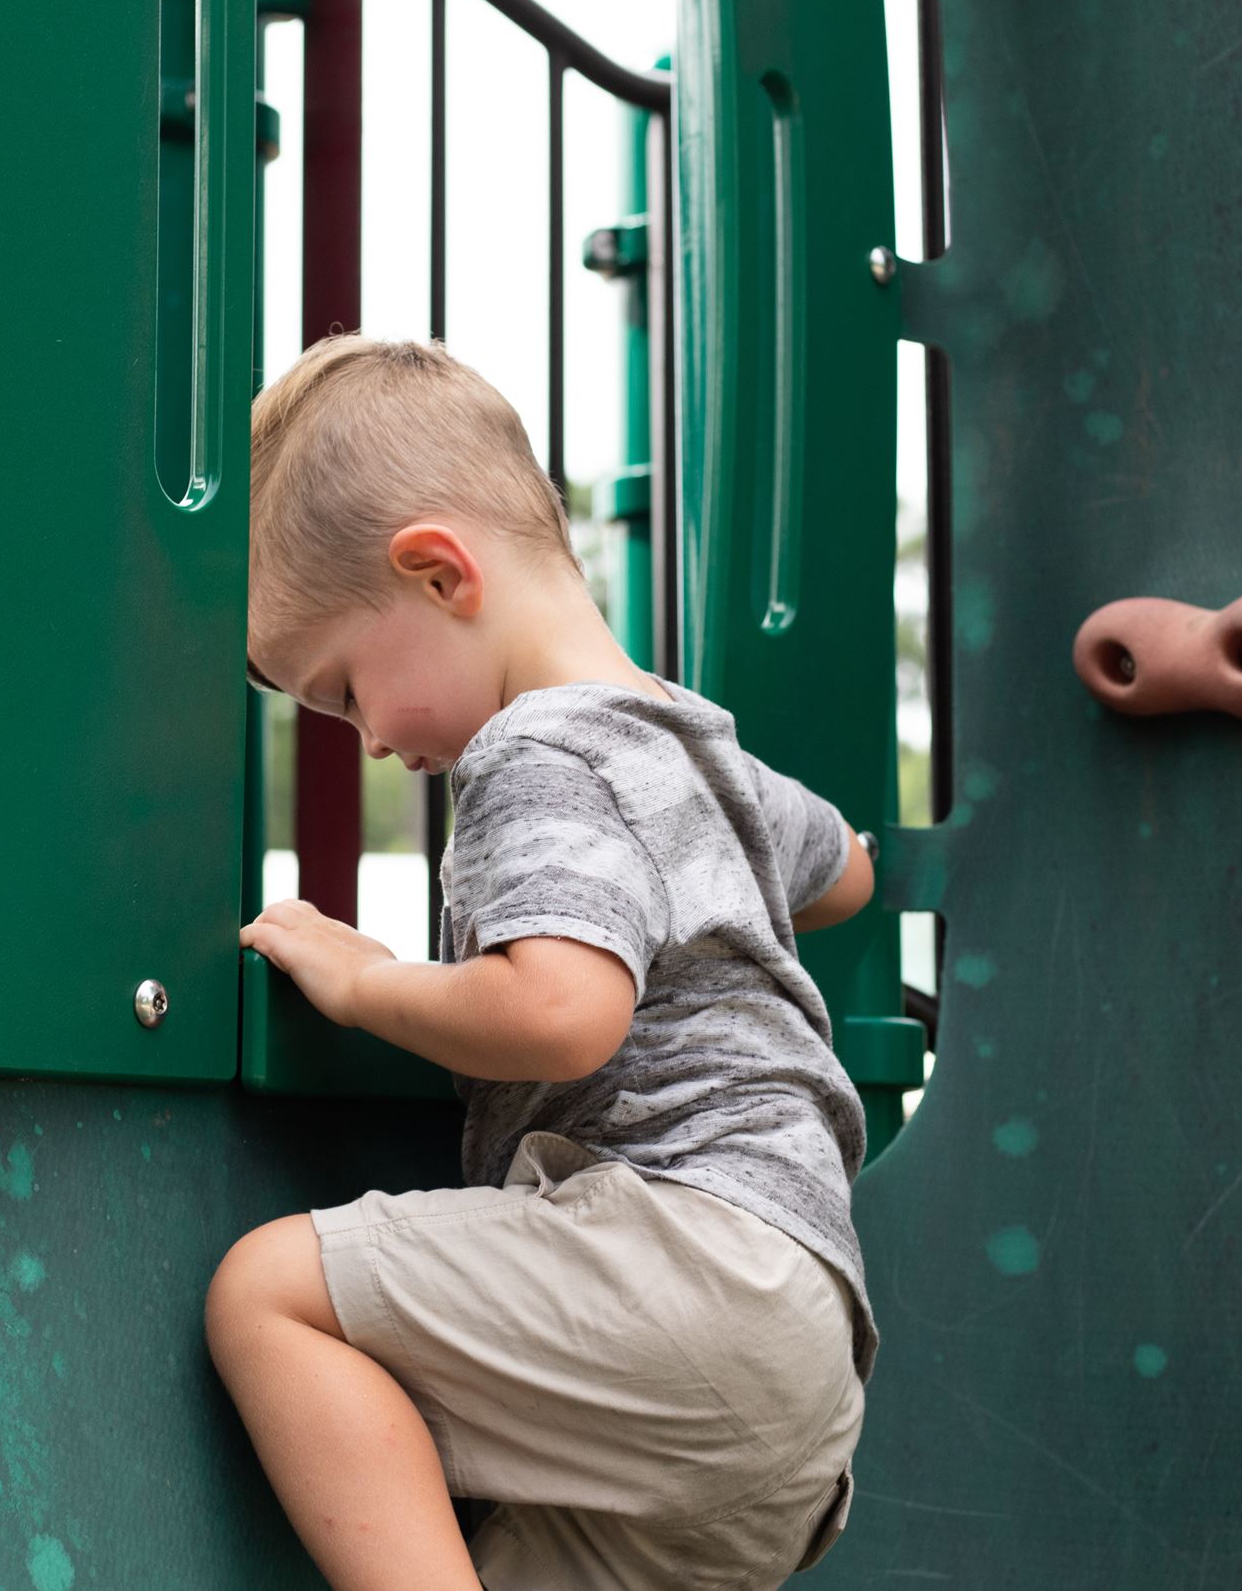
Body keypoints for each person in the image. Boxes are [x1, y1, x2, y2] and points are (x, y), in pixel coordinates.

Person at [209, 335, 878, 1591]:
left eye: (346, 689)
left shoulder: (535, 752)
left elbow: (563, 1009)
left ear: (436, 572)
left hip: (690, 1264)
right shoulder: (698, 748)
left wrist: (361, 979)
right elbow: (842, 864)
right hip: (799, 1358)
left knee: (266, 1294)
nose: (363, 741)